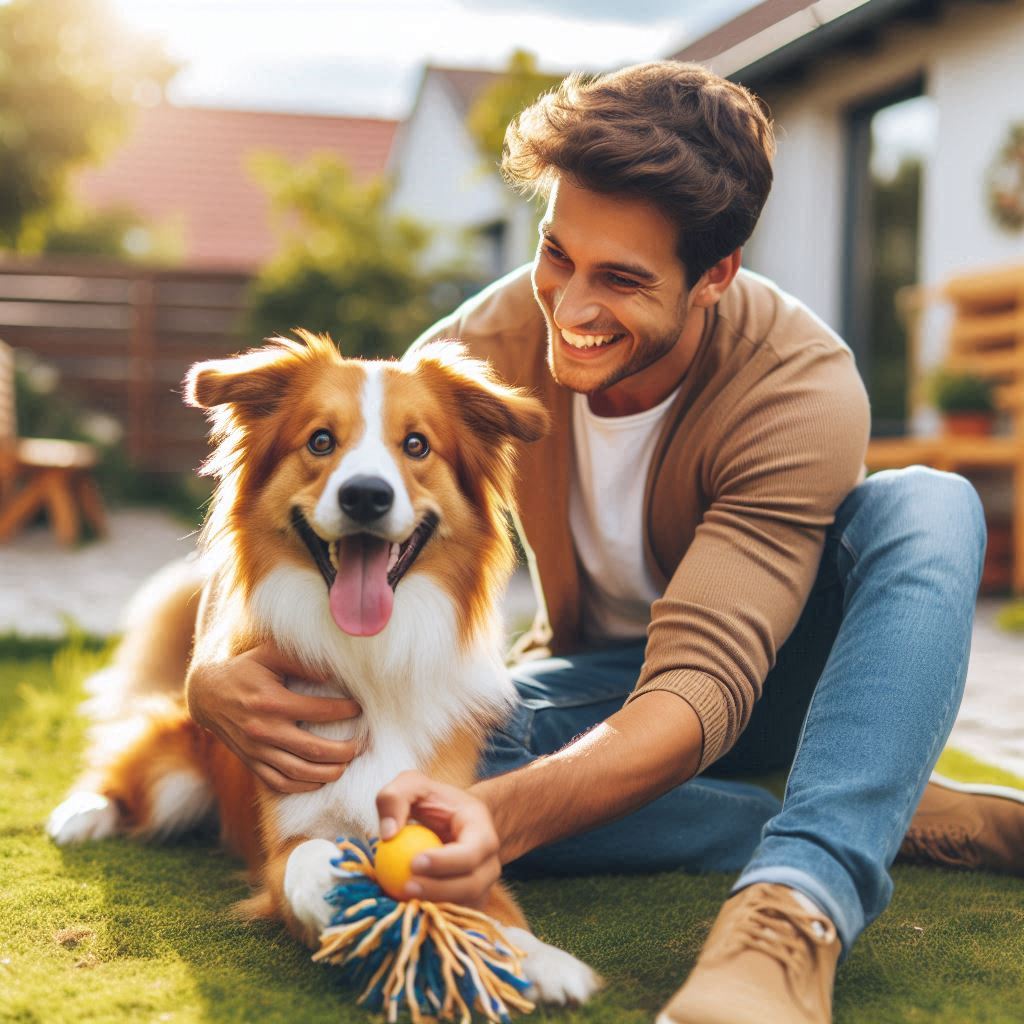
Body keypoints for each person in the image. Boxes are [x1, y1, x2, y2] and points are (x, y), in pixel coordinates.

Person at [187, 62, 1024, 1024]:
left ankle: (799, 900)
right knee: (390, 773)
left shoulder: (800, 385)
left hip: (784, 682)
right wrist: (209, 674)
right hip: (592, 680)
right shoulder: (481, 348)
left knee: (928, 503)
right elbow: (272, 504)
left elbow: (702, 684)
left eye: (621, 280)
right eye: (557, 255)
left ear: (715, 277)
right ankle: (888, 810)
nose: (571, 309)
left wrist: (500, 817)